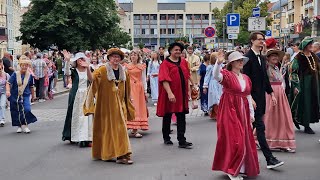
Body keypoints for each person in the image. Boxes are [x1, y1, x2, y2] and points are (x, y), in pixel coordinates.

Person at [212, 50, 259, 180]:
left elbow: (248, 95)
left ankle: (241, 168)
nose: (241, 62)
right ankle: (231, 170)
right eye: (238, 60)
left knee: (244, 139)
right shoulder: (226, 75)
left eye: (242, 60)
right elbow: (216, 76)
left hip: (243, 110)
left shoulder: (246, 78)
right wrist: (218, 63)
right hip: (229, 109)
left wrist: (251, 113)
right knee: (235, 139)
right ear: (232, 63)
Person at [83, 48, 135, 164]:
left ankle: (122, 155)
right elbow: (92, 80)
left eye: (118, 57)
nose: (115, 59)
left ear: (121, 59)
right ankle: (106, 153)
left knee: (120, 129)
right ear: (109, 58)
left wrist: (129, 102)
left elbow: (127, 90)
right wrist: (87, 68)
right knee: (106, 130)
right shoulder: (102, 70)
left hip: (119, 107)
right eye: (113, 57)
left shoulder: (124, 72)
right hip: (105, 106)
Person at [243, 32, 284, 169]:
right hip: (251, 100)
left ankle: (244, 159)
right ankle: (269, 158)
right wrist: (249, 98)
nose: (262, 42)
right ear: (252, 41)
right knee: (260, 128)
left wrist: (271, 93)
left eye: (263, 39)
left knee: (253, 129)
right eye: (259, 40)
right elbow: (245, 80)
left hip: (260, 98)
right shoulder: (247, 58)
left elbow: (264, 78)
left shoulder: (261, 57)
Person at [157, 42, 194, 149]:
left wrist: (193, 87)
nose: (178, 51)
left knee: (181, 116)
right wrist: (169, 93)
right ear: (171, 51)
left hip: (181, 94)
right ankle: (166, 137)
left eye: (179, 50)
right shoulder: (165, 63)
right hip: (170, 94)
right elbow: (164, 79)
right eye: (175, 50)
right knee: (167, 115)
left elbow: (187, 75)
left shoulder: (183, 62)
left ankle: (182, 140)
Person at [262, 49, 296, 152]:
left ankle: (282, 140)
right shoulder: (266, 67)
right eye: (272, 56)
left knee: (283, 116)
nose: (275, 57)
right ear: (268, 58)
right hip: (271, 92)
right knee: (271, 117)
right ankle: (270, 140)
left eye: (276, 56)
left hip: (280, 93)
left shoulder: (276, 67)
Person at [61, 52, 93, 147]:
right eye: (79, 59)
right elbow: (66, 73)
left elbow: (91, 80)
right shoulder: (74, 71)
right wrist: (67, 61)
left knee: (86, 116)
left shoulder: (88, 69)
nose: (81, 61)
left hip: (86, 94)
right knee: (75, 115)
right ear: (76, 61)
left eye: (83, 59)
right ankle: (74, 135)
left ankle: (86, 137)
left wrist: (87, 67)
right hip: (76, 95)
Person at [289, 37, 320, 134]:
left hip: (314, 82)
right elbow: (293, 72)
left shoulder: (314, 56)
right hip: (303, 83)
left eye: (312, 44)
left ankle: (308, 121)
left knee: (313, 102)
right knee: (305, 103)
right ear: (305, 46)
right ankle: (305, 124)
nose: (311, 46)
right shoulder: (299, 57)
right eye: (309, 44)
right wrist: (296, 85)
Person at [6, 55, 37, 133]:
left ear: (28, 66)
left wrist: (33, 96)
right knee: (16, 111)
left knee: (27, 109)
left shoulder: (29, 76)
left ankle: (26, 125)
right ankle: (19, 125)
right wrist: (8, 91)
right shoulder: (15, 74)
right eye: (23, 65)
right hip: (15, 95)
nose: (24, 67)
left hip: (26, 95)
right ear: (20, 66)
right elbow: (8, 83)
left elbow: (31, 86)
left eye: (26, 65)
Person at [125, 49, 148, 138]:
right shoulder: (127, 66)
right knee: (132, 106)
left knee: (138, 107)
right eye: (132, 55)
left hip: (139, 87)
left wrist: (145, 91)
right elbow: (124, 78)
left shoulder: (141, 66)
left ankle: (136, 129)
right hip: (130, 87)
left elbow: (143, 78)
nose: (133, 56)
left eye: (135, 55)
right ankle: (131, 126)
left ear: (138, 56)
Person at [203, 52, 223, 120]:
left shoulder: (221, 66)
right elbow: (207, 76)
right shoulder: (210, 67)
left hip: (220, 84)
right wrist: (205, 86)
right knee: (215, 99)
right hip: (213, 84)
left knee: (220, 99)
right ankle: (216, 114)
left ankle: (218, 114)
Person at [0, 60, 10, 127]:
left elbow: (8, 84)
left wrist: (8, 91)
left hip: (3, 92)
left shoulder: (6, 75)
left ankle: (2, 119)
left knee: (2, 105)